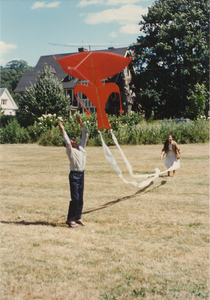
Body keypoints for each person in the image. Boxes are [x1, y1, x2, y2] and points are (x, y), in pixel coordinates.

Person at [58, 115, 88, 228]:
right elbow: (66, 140)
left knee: (80, 198)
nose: (72, 140)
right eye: (71, 140)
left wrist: (80, 122)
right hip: (74, 175)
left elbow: (85, 135)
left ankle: (77, 217)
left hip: (81, 174)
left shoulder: (81, 148)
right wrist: (63, 130)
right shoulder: (70, 151)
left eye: (73, 139)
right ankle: (70, 220)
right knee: (75, 198)